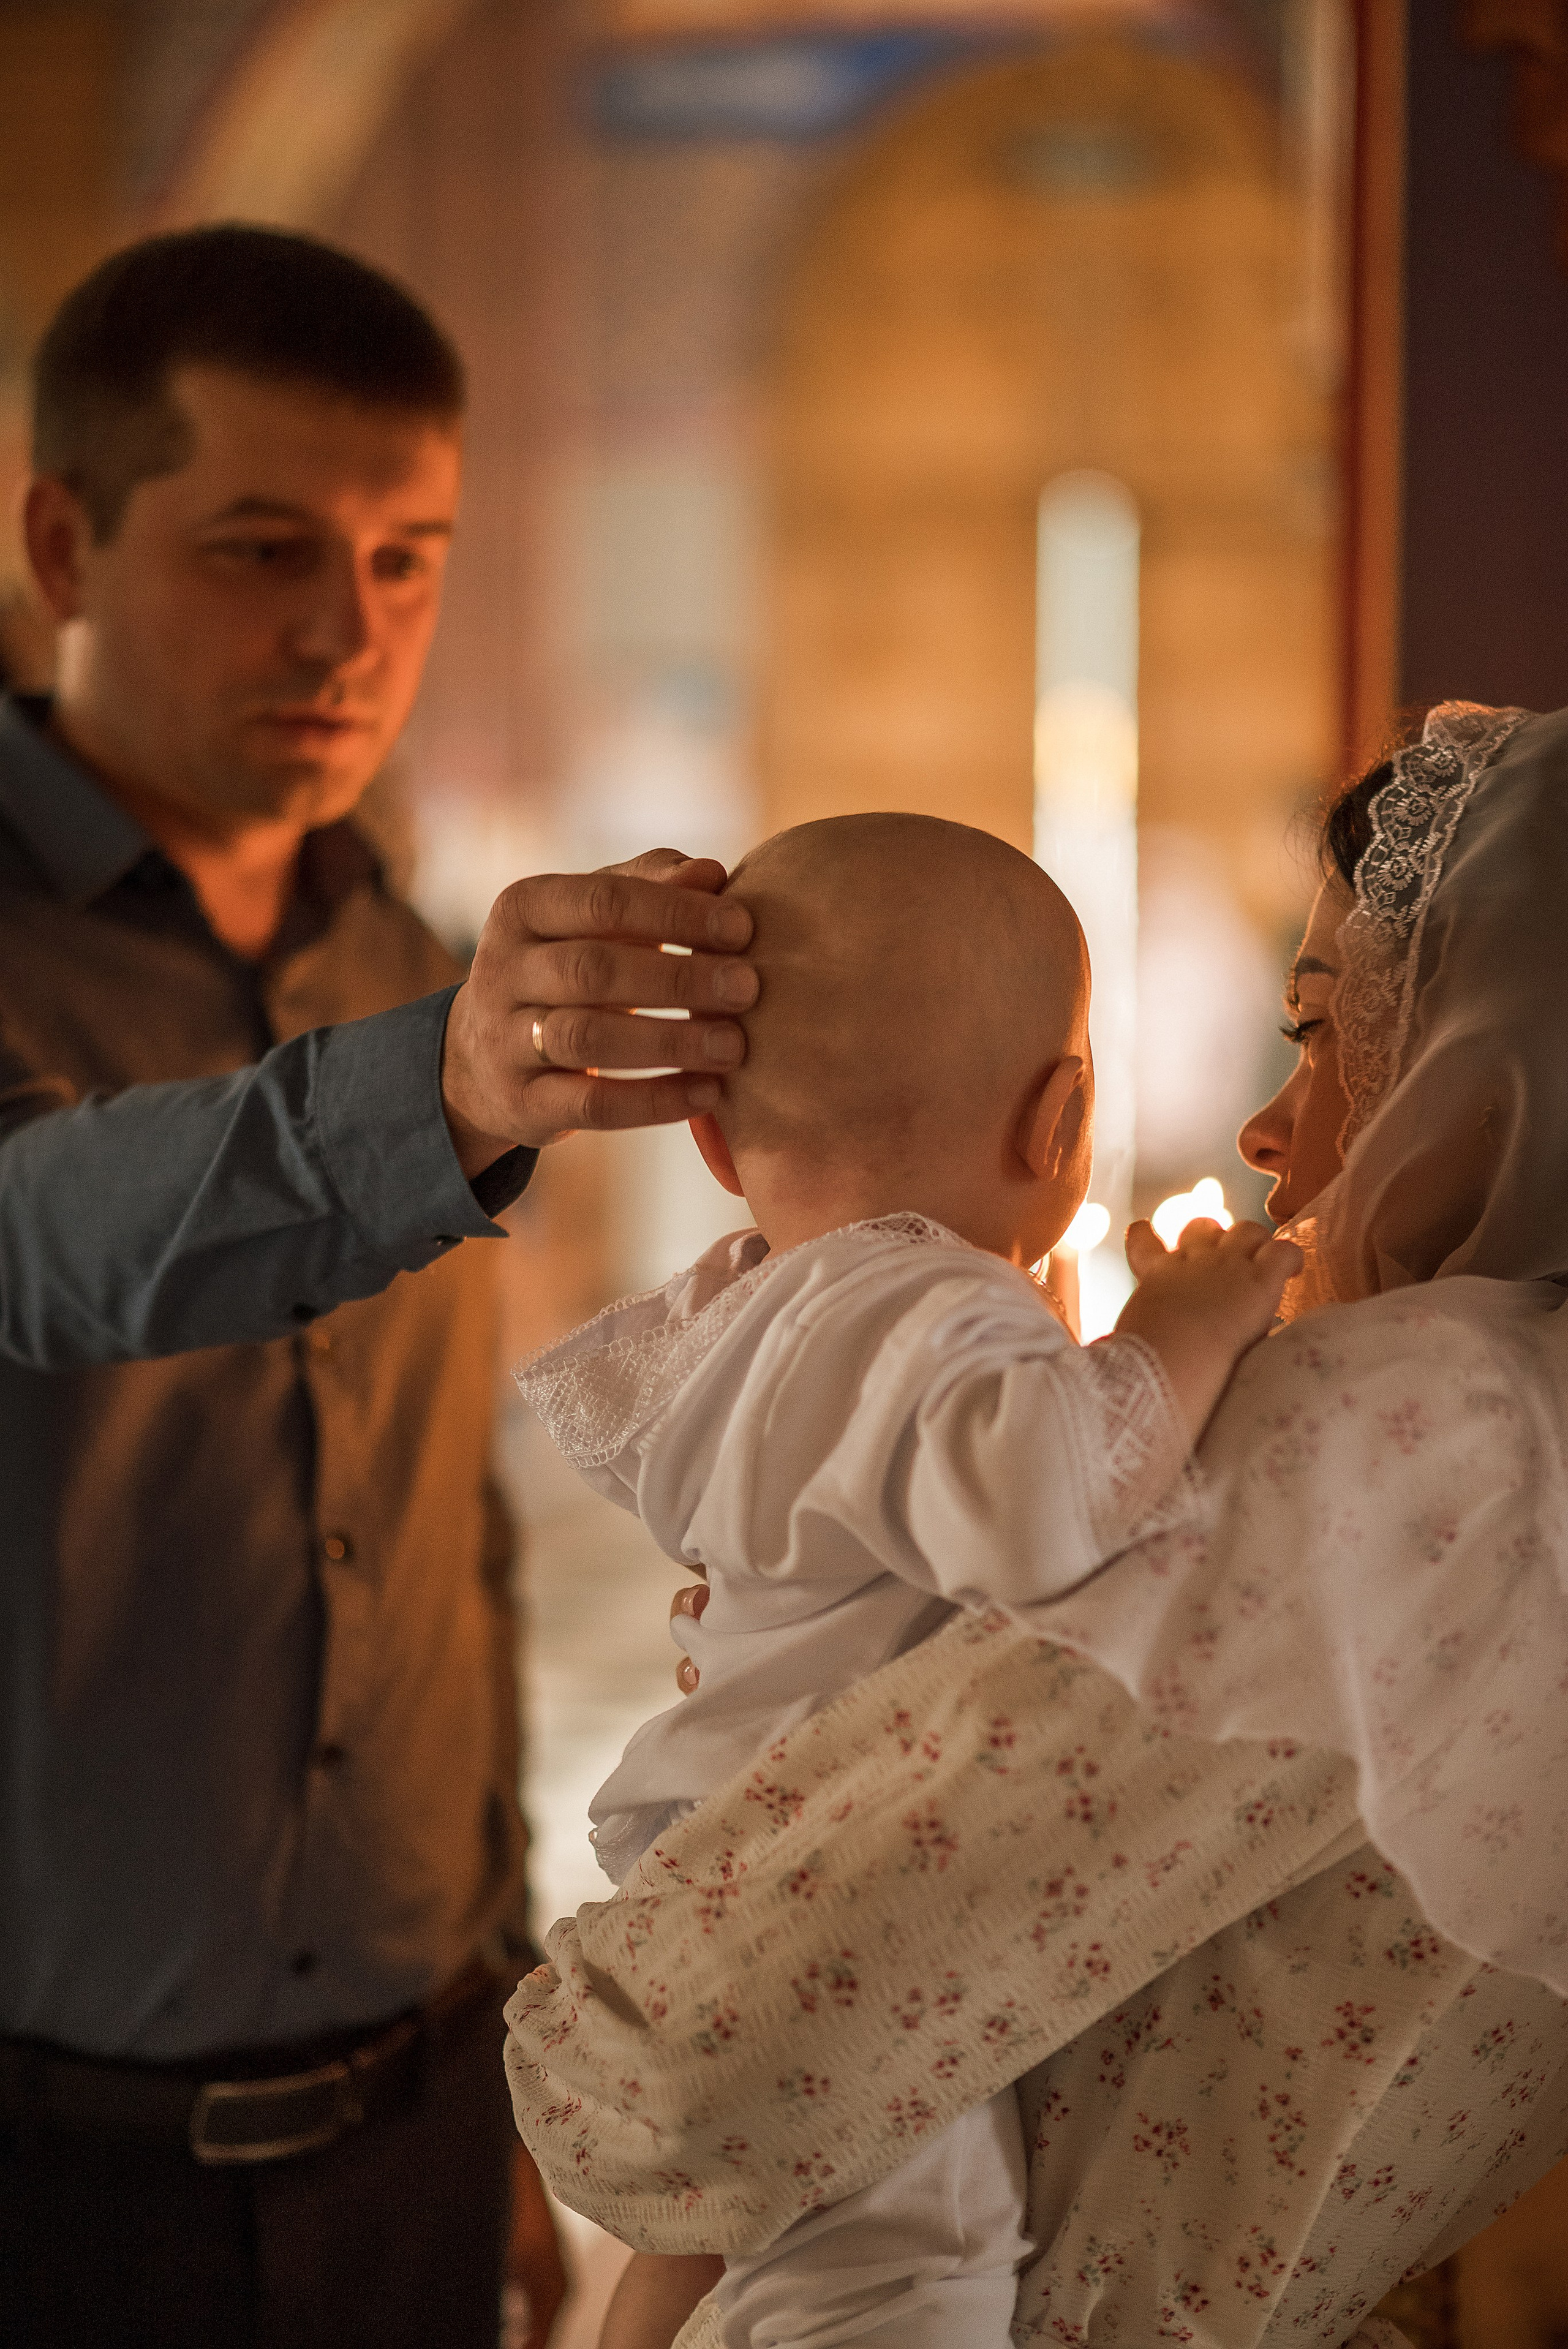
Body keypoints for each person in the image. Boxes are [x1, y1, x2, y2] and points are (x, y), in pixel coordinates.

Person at [505, 703, 1568, 2348]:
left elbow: (675, 2075)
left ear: (1503, 1046)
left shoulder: (1423, 1432)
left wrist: (1161, 1342)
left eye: (1326, 1026)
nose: (1270, 1128)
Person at [0, 224, 759, 2349]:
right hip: (53, 2179)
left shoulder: (395, 946)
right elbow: (42, 1233)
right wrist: (437, 1083)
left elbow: (445, 1556)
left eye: (409, 555)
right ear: (64, 536)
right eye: (264, 549)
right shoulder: (415, 1020)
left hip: (418, 2120)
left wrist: (523, 2048)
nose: (350, 628)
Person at [514, 814, 1299, 2347]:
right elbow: (1040, 1505)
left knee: (735, 2223)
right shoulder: (929, 1300)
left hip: (724, 1860)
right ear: (1060, 1118)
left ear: (718, 1146)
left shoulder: (765, 1311)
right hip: (836, 1889)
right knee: (906, 2260)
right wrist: (1181, 1333)